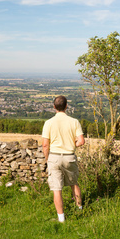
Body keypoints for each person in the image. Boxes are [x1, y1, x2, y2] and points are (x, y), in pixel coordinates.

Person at [42, 95, 85, 223]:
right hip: (69, 156)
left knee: (57, 188)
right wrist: (72, 145)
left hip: (54, 157)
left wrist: (47, 158)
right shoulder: (74, 122)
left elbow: (45, 144)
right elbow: (81, 141)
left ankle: (61, 219)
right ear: (67, 106)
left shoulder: (48, 123)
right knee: (74, 183)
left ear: (54, 107)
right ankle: (79, 209)